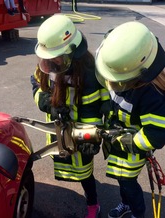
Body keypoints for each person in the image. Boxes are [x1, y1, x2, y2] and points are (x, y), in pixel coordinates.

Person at [95, 21, 165, 218]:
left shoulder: (151, 93)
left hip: (131, 150)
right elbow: (117, 98)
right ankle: (126, 204)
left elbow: (164, 129)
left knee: (128, 182)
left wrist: (131, 142)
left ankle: (138, 213)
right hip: (117, 143)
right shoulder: (122, 74)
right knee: (120, 179)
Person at [30, 14, 110, 218]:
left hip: (80, 132)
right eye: (48, 57)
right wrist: (47, 103)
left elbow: (94, 108)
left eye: (56, 57)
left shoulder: (90, 72)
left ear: (72, 52)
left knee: (85, 171)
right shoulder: (47, 65)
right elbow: (37, 88)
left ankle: (93, 204)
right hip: (60, 131)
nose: (51, 62)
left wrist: (91, 136)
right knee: (65, 160)